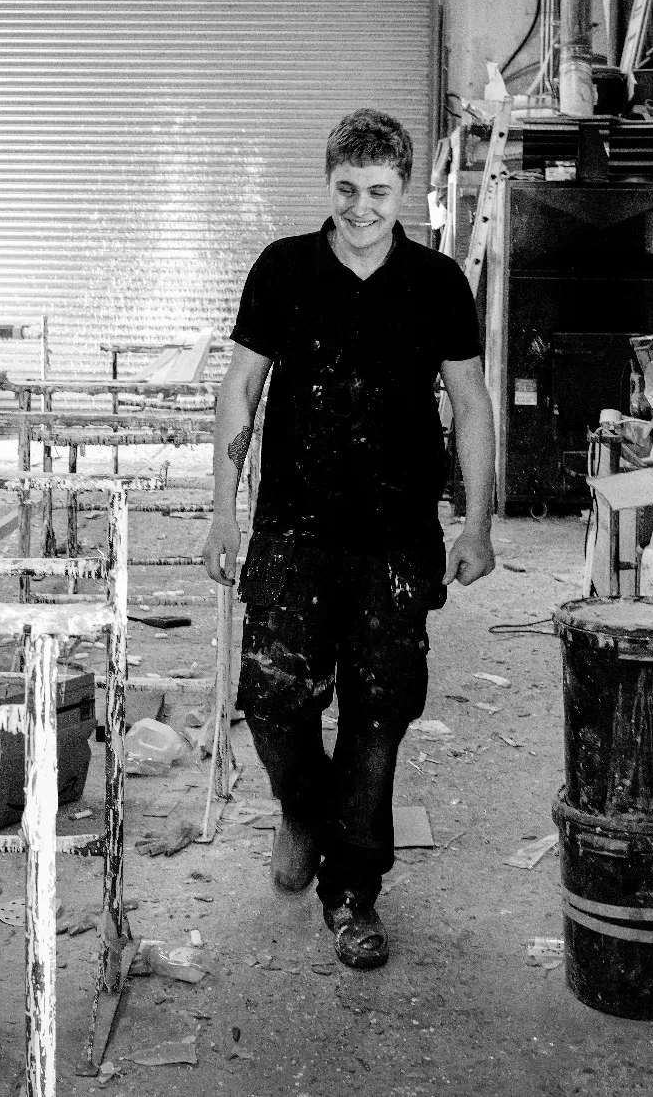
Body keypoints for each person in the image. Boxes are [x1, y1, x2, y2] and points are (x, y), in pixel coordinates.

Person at [200, 108, 496, 970]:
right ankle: (303, 808)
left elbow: (471, 405)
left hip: (396, 541)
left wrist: (476, 522)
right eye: (347, 189)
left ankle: (353, 892)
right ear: (327, 183)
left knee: (377, 717)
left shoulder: (438, 282)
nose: (362, 208)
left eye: (379, 192)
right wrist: (223, 510)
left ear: (405, 191)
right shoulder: (284, 269)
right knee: (272, 700)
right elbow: (239, 391)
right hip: (292, 529)